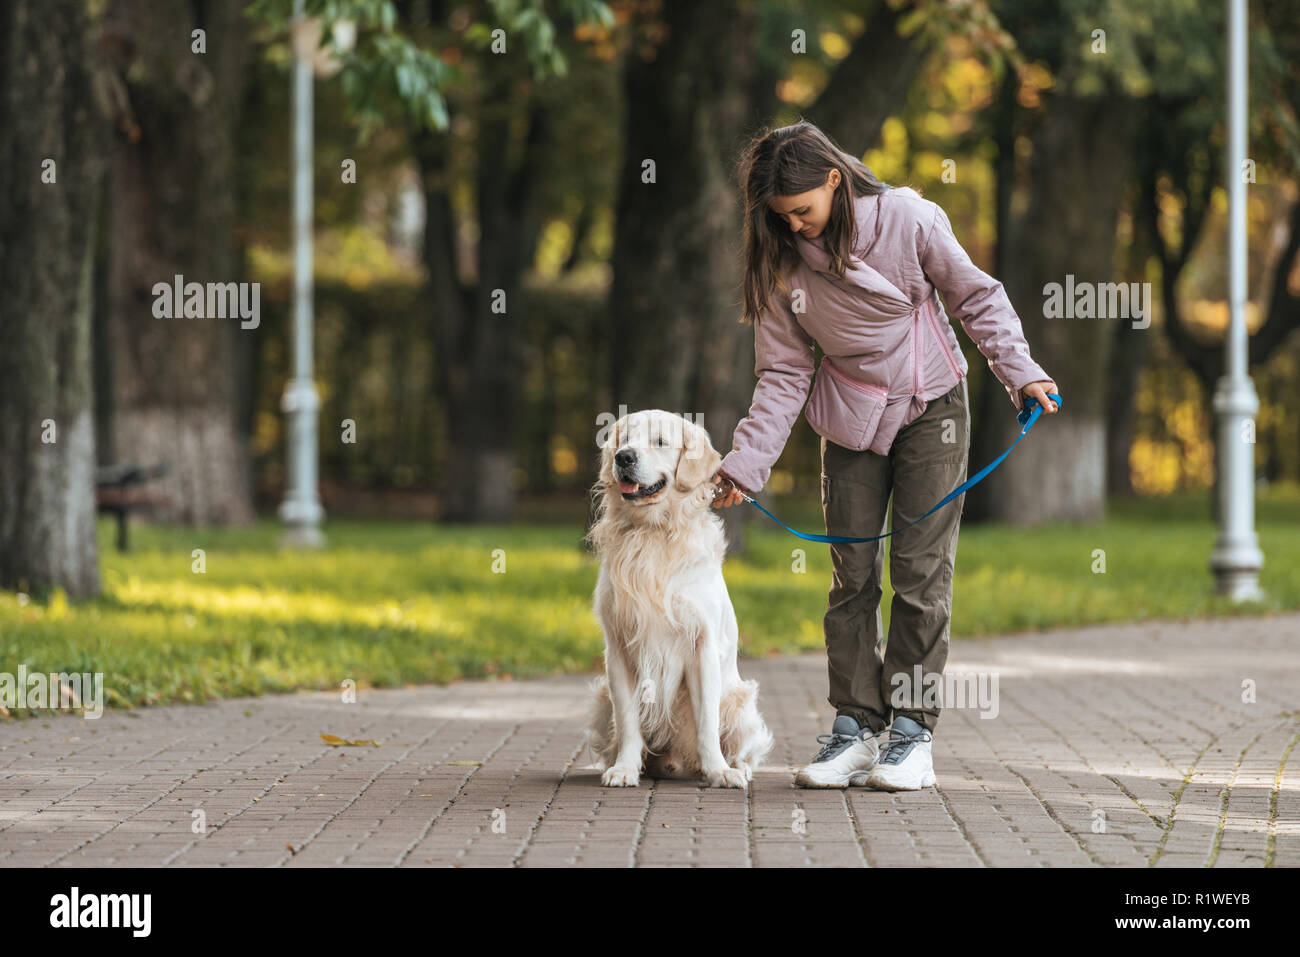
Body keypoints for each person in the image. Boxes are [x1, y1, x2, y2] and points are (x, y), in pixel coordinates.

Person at [711, 120, 1057, 791]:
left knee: (920, 571)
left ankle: (911, 733)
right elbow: (783, 374)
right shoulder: (782, 262)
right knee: (852, 574)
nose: (797, 228)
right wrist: (745, 465)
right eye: (781, 218)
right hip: (848, 415)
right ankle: (854, 726)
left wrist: (1022, 371)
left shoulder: (909, 220)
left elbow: (976, 297)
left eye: (804, 211)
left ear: (835, 181)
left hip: (931, 403)